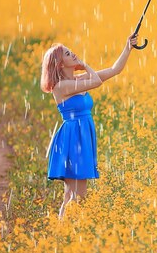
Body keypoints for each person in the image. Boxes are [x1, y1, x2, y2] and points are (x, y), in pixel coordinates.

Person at [40, 33, 138, 218]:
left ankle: (60, 235)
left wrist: (128, 48)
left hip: (81, 135)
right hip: (72, 137)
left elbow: (114, 69)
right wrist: (85, 65)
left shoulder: (77, 81)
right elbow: (96, 82)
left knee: (70, 194)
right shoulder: (61, 86)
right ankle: (67, 233)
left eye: (70, 52)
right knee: (79, 196)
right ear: (60, 64)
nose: (73, 54)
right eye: (68, 54)